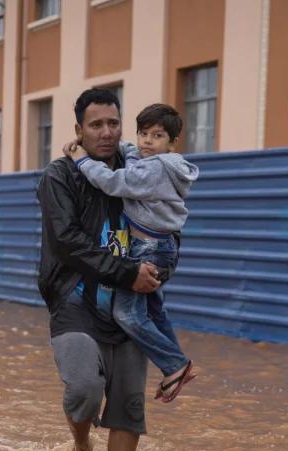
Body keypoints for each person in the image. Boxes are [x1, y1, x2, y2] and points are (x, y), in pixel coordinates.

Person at [37, 88, 162, 451]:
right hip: (76, 302)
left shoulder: (139, 172)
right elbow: (67, 242)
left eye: (113, 123)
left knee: (128, 405)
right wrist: (127, 270)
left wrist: (159, 272)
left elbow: (168, 228)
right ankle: (81, 444)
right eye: (96, 125)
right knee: (84, 389)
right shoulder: (59, 177)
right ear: (79, 129)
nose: (106, 132)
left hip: (131, 306)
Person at [62, 103, 200, 402]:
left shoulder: (155, 169)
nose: (148, 141)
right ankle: (178, 365)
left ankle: (174, 365)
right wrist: (114, 143)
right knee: (153, 310)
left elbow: (113, 182)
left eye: (157, 135)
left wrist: (81, 158)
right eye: (143, 133)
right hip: (157, 245)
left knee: (126, 313)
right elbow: (132, 152)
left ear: (172, 143)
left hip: (150, 248)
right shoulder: (152, 158)